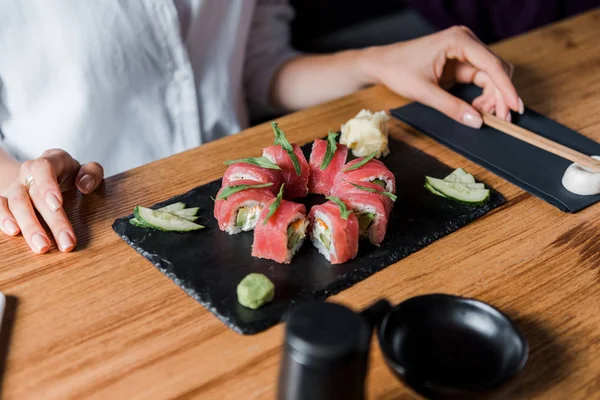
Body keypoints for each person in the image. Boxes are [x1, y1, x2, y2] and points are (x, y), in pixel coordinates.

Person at [0, 1, 521, 255]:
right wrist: (13, 182)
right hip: (78, 219)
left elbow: (257, 67)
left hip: (234, 188)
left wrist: (378, 61)